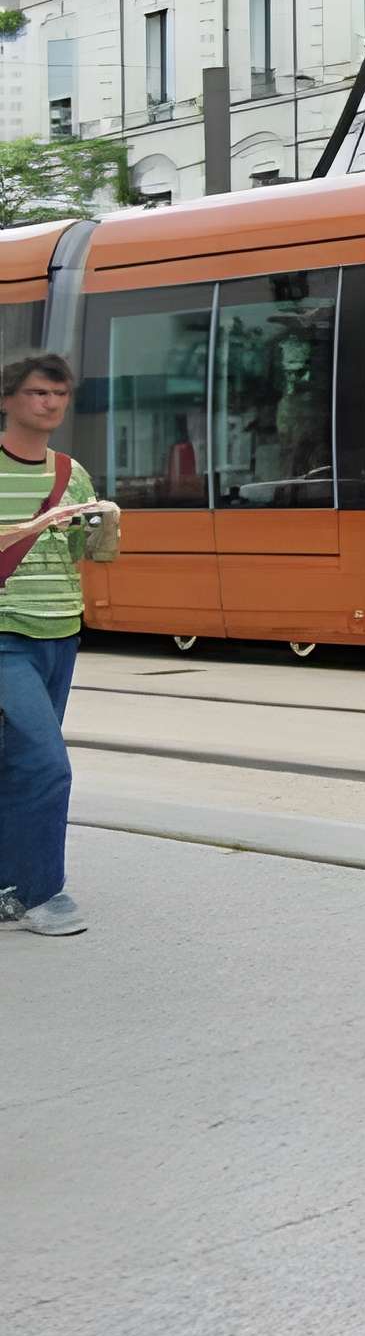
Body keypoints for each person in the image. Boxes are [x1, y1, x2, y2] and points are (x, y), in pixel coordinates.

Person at [0, 354, 115, 937]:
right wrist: (30, 528)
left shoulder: (72, 472)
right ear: (7, 399)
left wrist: (97, 531)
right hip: (3, 634)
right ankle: (42, 895)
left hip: (59, 631)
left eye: (61, 395)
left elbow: (77, 559)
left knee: (15, 763)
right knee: (46, 765)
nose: (51, 404)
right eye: (39, 393)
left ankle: (5, 883)